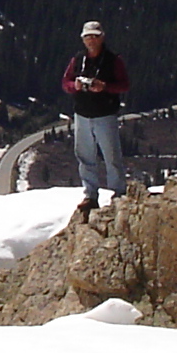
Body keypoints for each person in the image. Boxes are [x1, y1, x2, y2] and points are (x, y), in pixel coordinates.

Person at [60, 20, 130, 215]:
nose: (91, 40)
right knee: (85, 156)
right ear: (83, 39)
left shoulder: (113, 60)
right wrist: (75, 86)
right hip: (82, 114)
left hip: (105, 115)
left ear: (102, 37)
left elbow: (124, 85)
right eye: (88, 36)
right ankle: (90, 195)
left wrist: (105, 87)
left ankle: (118, 192)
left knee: (111, 156)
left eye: (95, 36)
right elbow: (65, 81)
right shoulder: (78, 60)